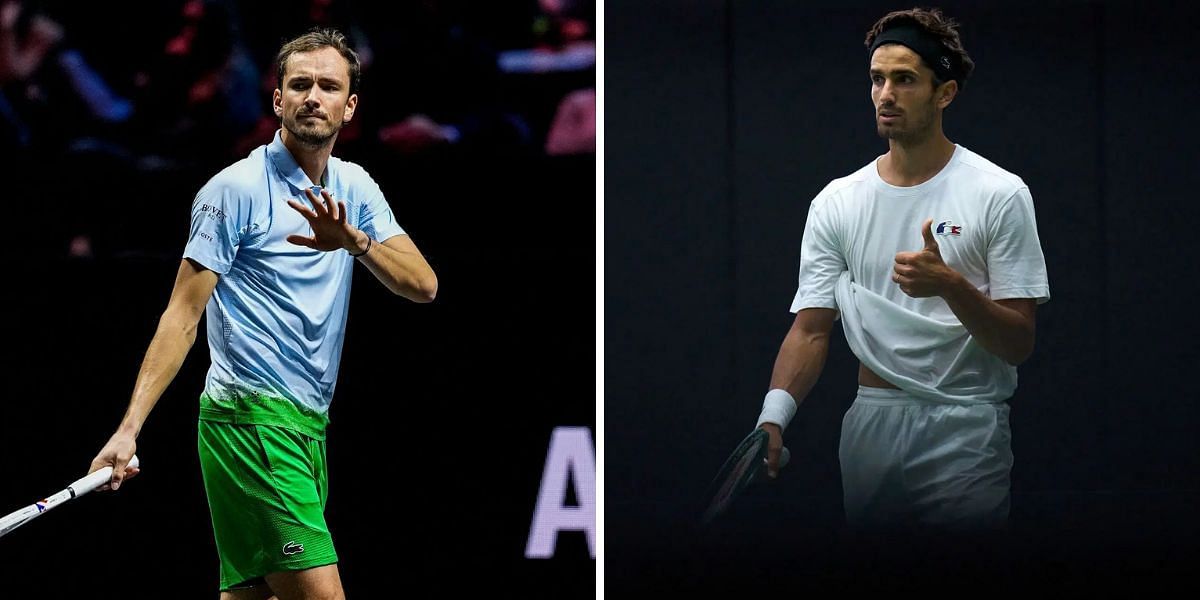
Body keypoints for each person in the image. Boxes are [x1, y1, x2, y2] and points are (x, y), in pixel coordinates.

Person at [88, 27, 438, 599]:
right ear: (278, 99)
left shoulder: (356, 187)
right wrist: (129, 430)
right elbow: (181, 315)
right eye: (299, 85)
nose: (312, 97)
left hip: (308, 427)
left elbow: (423, 285)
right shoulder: (235, 190)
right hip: (250, 422)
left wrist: (355, 241)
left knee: (257, 596)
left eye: (329, 86)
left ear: (349, 107)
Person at [754, 8, 1049, 534]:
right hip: (871, 427)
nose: (885, 93)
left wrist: (950, 286)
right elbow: (811, 328)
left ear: (945, 93)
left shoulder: (1001, 194)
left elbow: (1019, 342)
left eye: (905, 79)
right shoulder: (835, 203)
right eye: (877, 78)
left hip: (967, 427)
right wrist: (773, 418)